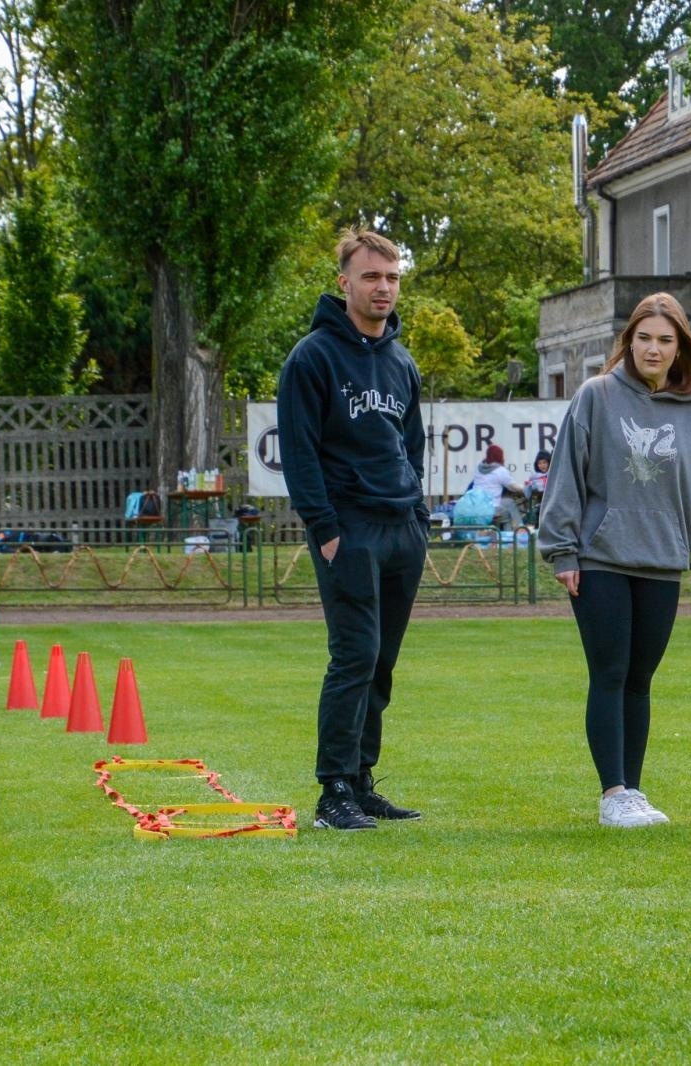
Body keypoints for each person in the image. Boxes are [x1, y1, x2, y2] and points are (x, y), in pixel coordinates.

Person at [538, 292, 691, 828]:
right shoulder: (596, 396)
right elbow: (566, 478)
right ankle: (612, 793)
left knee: (640, 680)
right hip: (600, 560)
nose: (653, 348)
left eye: (665, 340)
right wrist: (562, 550)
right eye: (644, 338)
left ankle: (635, 792)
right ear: (629, 342)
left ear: (679, 348)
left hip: (662, 563)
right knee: (610, 672)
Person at [276, 228, 430, 831]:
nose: (383, 288)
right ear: (344, 282)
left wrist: (417, 514)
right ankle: (332, 790)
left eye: (391, 277)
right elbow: (300, 452)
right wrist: (326, 528)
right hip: (348, 528)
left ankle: (362, 781)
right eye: (371, 277)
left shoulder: (400, 361)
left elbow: (411, 447)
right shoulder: (312, 357)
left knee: (382, 661)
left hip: (401, 529)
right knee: (354, 655)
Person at [462, 443, 525, 528]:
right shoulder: (500, 471)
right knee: (509, 510)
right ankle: (519, 531)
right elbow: (514, 488)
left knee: (508, 503)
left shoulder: (478, 467)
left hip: (475, 508)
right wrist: (526, 487)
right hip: (491, 509)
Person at [524, 449, 551, 526]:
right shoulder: (534, 477)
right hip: (541, 506)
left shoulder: (554, 474)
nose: (542, 465)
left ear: (549, 462)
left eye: (544, 462)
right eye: (539, 463)